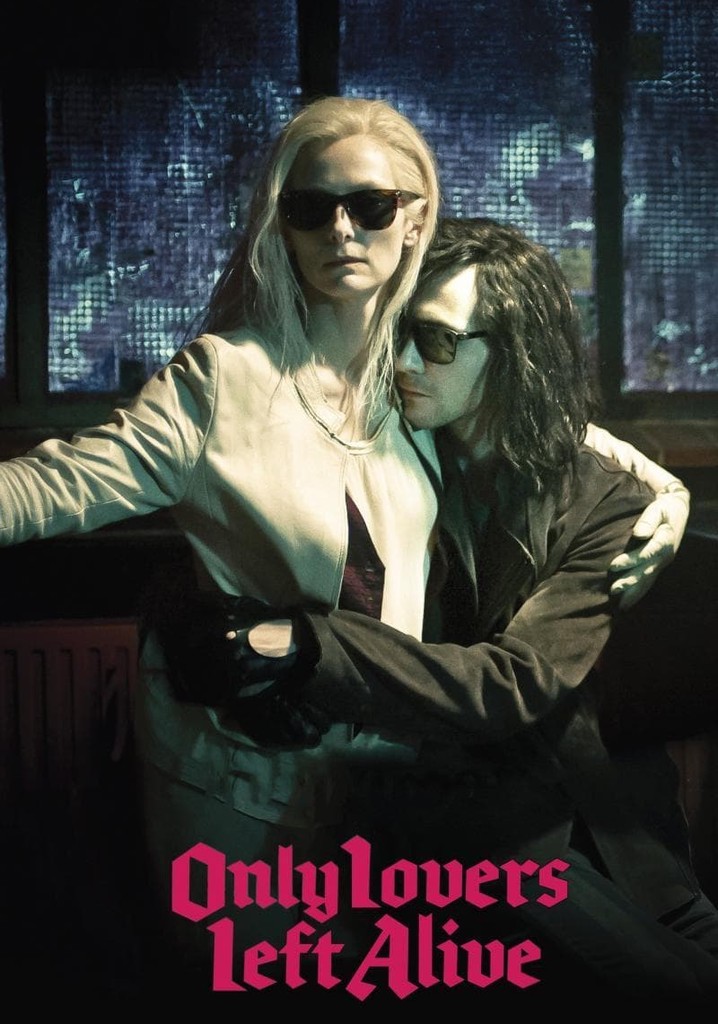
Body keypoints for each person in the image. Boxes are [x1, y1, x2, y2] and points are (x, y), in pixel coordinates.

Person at [0, 96, 690, 998]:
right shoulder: (223, 377)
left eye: (369, 205)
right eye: (310, 206)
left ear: (414, 219)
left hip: (383, 785)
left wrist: (665, 491)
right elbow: (54, 485)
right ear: (279, 225)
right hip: (241, 778)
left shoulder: (411, 378)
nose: (340, 229)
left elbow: (534, 404)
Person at [216, 218, 718, 1003]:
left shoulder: (603, 500)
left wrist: (314, 644)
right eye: (401, 335)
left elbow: (514, 681)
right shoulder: (396, 456)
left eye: (439, 341)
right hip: (473, 830)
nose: (406, 362)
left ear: (514, 354)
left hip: (615, 830)